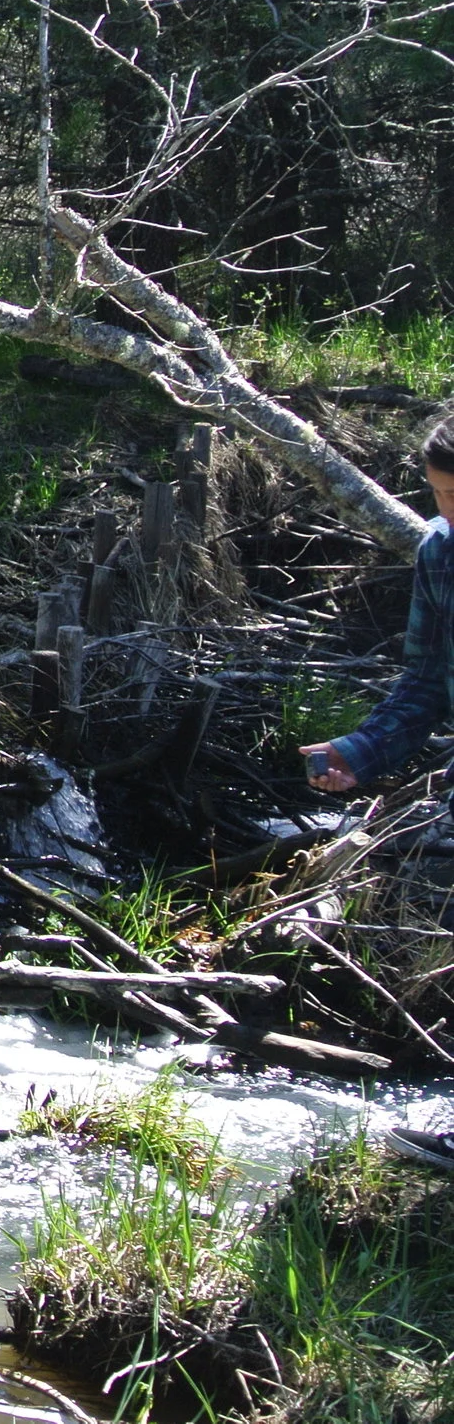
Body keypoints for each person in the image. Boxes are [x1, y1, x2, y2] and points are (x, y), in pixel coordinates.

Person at [301, 416, 454, 1171]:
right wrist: (359, 751)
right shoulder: (441, 552)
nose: (450, 514)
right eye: (440, 497)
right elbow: (425, 683)